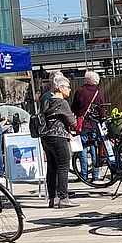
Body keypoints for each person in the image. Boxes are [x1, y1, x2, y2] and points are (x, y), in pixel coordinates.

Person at [40, 74, 78, 208]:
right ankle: (63, 197)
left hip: (46, 137)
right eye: (68, 87)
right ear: (60, 88)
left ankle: (52, 198)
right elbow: (73, 122)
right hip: (59, 136)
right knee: (63, 166)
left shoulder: (47, 101)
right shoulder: (62, 103)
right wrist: (73, 119)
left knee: (52, 167)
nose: (69, 89)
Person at [72, 71, 107, 179]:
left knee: (82, 149)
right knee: (94, 149)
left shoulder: (80, 92)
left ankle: (83, 174)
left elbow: (74, 108)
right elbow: (102, 110)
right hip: (95, 124)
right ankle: (95, 174)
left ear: (86, 80)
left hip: (82, 124)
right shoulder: (99, 93)